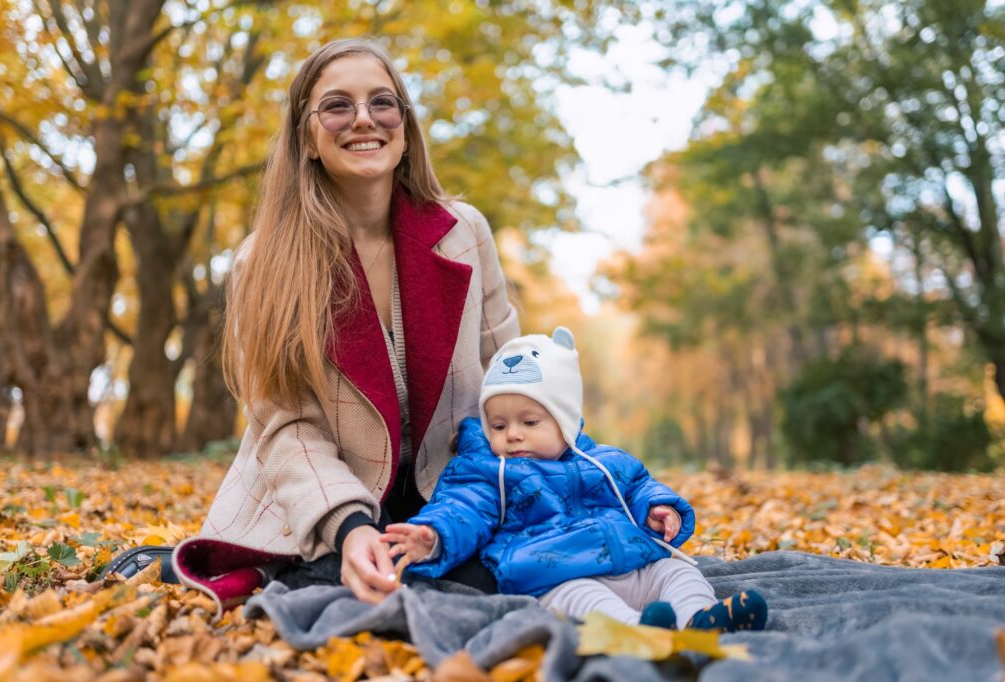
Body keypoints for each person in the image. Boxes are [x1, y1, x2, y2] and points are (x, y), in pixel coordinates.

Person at [165, 37, 519, 615]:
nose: (363, 119)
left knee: (515, 573)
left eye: (383, 102)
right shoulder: (263, 262)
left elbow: (513, 377)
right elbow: (285, 429)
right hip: (326, 501)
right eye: (337, 105)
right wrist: (352, 528)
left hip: (455, 498)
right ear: (307, 137)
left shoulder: (466, 233)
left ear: (404, 128)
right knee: (342, 585)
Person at [381, 327, 768, 631]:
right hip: (554, 574)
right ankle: (638, 632)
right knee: (584, 600)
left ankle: (698, 618)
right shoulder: (488, 471)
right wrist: (433, 535)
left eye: (529, 422)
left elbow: (637, 485)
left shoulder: (602, 460)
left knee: (676, 571)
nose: (512, 434)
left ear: (563, 420)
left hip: (630, 565)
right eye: (498, 425)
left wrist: (657, 508)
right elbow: (461, 507)